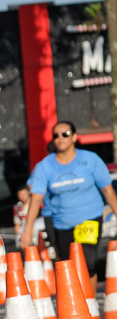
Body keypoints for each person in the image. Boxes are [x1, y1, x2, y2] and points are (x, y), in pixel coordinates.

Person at [20, 121, 117, 288]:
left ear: (74, 137)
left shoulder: (90, 160)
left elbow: (108, 191)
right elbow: (35, 199)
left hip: (89, 218)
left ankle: (90, 302)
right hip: (61, 223)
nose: (60, 138)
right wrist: (27, 230)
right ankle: (77, 303)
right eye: (56, 135)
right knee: (67, 265)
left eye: (65, 134)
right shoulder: (44, 166)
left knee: (88, 263)